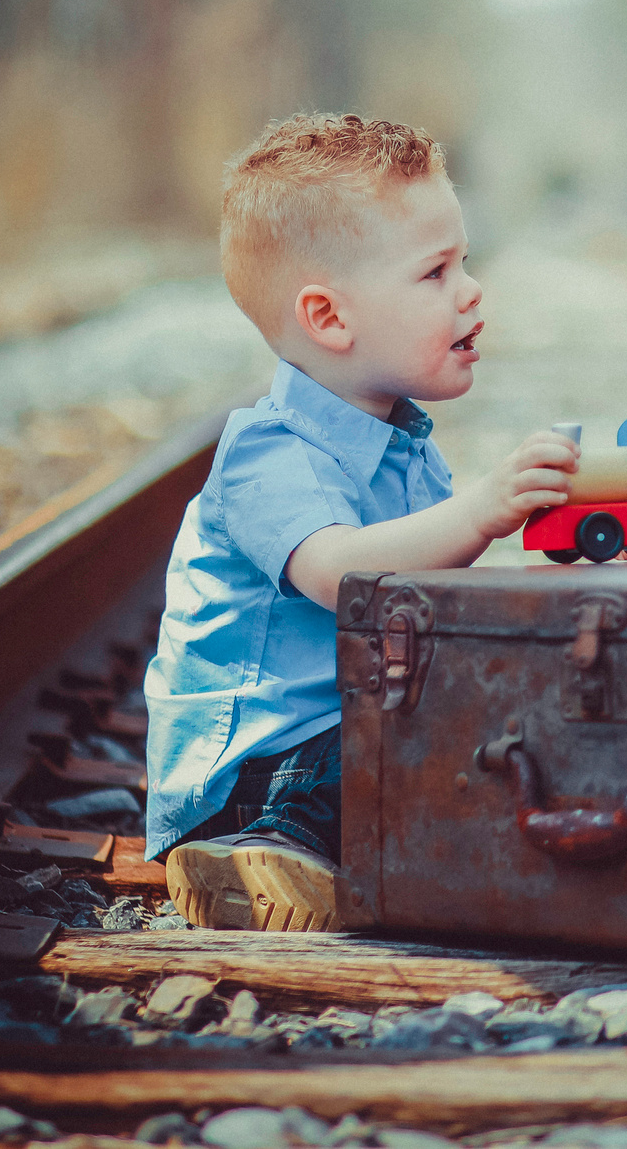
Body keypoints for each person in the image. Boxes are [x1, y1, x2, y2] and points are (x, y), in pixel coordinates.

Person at [145, 112, 579, 931]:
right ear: (331, 318)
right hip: (252, 772)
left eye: (465, 261)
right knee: (386, 753)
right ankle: (259, 852)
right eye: (435, 272)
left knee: (484, 723)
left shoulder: (408, 451)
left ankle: (357, 846)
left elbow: (433, 617)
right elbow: (346, 576)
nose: (471, 289)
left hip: (359, 731)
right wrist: (483, 511)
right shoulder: (266, 453)